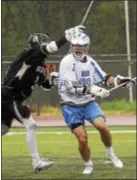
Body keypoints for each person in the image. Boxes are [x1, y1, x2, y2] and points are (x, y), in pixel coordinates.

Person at [1, 25, 85, 172]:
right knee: (31, 125)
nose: (44, 45)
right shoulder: (31, 53)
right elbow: (52, 47)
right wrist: (67, 37)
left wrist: (52, 78)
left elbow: (45, 85)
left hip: (12, 98)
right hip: (10, 95)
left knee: (3, 129)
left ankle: (36, 161)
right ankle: (36, 162)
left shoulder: (39, 64)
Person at [58, 32, 133, 175]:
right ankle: (88, 164)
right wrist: (95, 89)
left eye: (80, 46)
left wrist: (120, 81)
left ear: (86, 47)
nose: (77, 48)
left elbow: (104, 78)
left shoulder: (90, 61)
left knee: (102, 126)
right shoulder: (66, 62)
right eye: (74, 46)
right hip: (70, 105)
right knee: (82, 139)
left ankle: (111, 154)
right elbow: (73, 88)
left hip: (88, 103)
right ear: (71, 46)